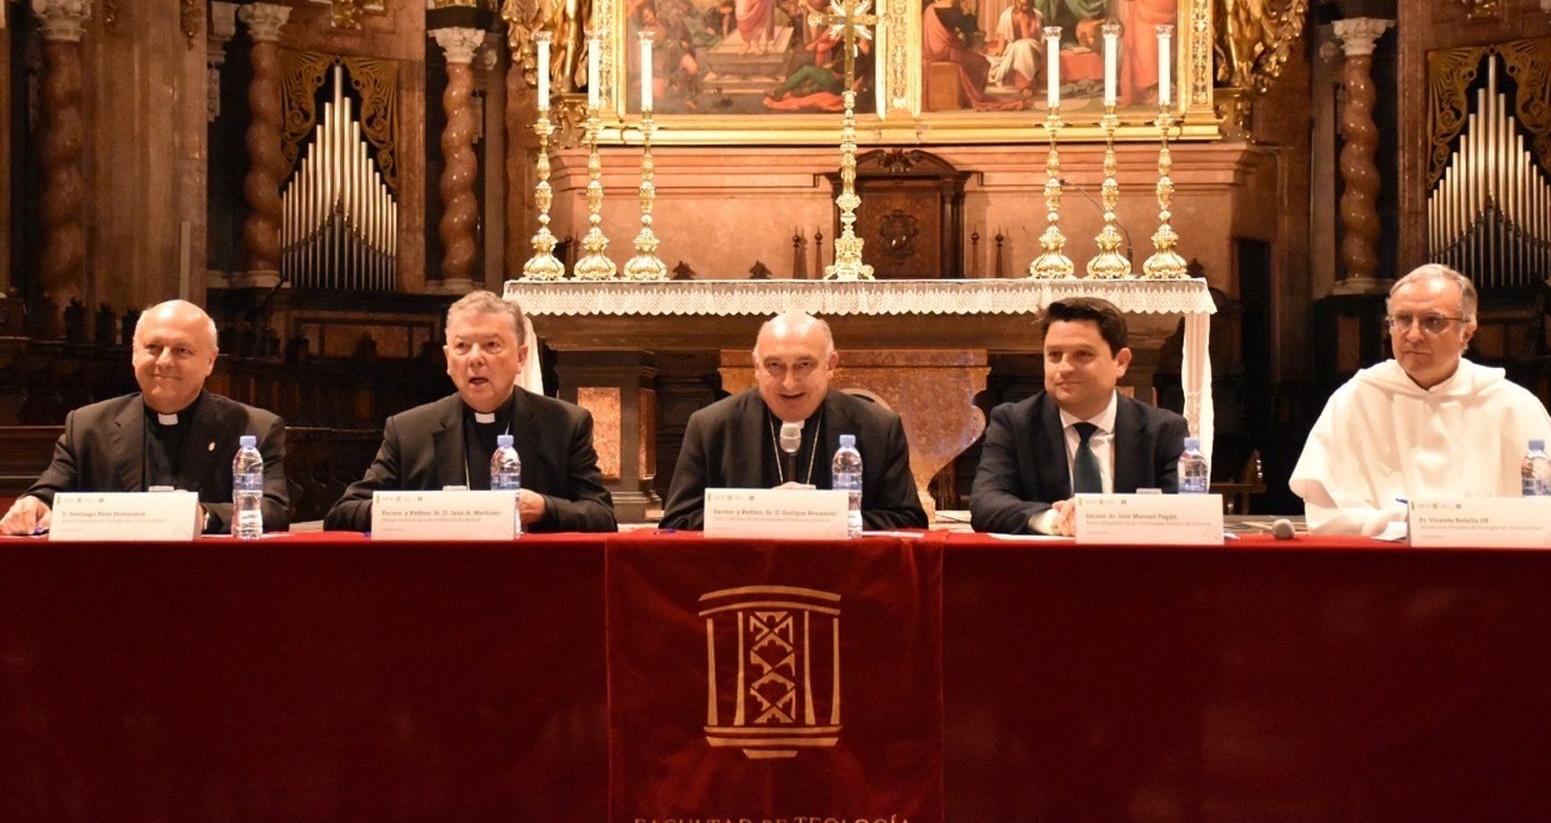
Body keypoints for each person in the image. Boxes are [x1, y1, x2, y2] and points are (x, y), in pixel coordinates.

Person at [1290, 264, 1551, 535]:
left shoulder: (1513, 405)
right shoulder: (1354, 401)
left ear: (1467, 331)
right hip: (1380, 573)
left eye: (1432, 321)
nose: (1413, 334)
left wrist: (1441, 525)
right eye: (1403, 319)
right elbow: (1325, 518)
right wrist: (1415, 523)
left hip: (1486, 574)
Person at [324, 291, 615, 533]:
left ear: (521, 357)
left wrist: (544, 508)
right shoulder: (409, 430)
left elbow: (602, 517)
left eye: (492, 345)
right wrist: (418, 512)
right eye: (462, 346)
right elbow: (342, 514)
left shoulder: (565, 424)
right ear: (449, 359)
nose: (475, 358)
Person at [0, 299, 289, 536]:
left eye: (182, 350)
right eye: (152, 348)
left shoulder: (255, 428)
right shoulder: (88, 426)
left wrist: (203, 516)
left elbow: (273, 510)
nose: (163, 361)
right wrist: (33, 504)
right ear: (134, 353)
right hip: (112, 582)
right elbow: (49, 491)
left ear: (210, 361)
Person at [661, 311, 926, 531]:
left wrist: (820, 517)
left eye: (804, 365)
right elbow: (676, 522)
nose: (789, 383)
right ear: (756, 366)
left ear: (830, 365)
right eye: (774, 365)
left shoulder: (878, 428)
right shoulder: (711, 426)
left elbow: (909, 521)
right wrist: (767, 514)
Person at [970, 297, 1189, 536]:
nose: (1064, 368)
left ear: (1121, 362)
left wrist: (1103, 517)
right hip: (1044, 569)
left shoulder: (1165, 430)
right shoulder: (1014, 423)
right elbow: (986, 503)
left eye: (1082, 354)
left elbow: (1186, 512)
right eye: (1054, 355)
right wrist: (1055, 520)